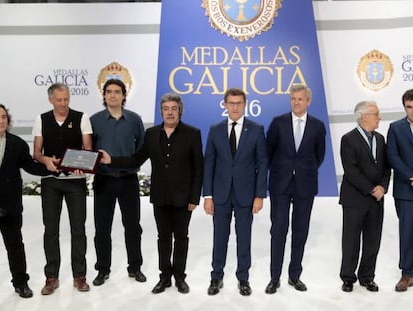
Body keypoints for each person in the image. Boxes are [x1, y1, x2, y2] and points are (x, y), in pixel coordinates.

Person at [100, 93, 203, 294]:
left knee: (181, 238)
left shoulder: (192, 133)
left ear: (179, 110)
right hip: (160, 196)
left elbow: (199, 168)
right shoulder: (152, 134)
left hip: (184, 198)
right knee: (163, 237)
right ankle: (164, 277)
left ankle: (180, 278)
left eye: (174, 108)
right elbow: (136, 159)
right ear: (161, 111)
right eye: (166, 109)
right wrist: (112, 160)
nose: (170, 112)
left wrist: (194, 198)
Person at [203, 88, 268, 296]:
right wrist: (208, 195)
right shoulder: (215, 130)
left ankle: (243, 278)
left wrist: (259, 195)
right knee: (219, 237)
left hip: (246, 195)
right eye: (231, 103)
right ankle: (216, 277)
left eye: (239, 103)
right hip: (220, 194)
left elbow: (262, 163)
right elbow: (209, 164)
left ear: (245, 104)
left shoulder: (256, 130)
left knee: (244, 237)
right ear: (225, 105)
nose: (235, 107)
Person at [33, 83, 92, 294]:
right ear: (51, 100)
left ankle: (80, 276)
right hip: (51, 181)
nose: (64, 103)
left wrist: (81, 164)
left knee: (79, 229)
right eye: (59, 100)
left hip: (75, 182)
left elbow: (88, 149)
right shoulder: (41, 119)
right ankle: (51, 277)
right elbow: (37, 153)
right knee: (51, 230)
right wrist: (46, 159)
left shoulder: (82, 118)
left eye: (66, 99)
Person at [265, 84, 326, 294]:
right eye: (293, 99)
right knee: (279, 230)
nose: (296, 102)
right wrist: (284, 170)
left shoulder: (317, 126)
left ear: (308, 101)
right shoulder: (278, 123)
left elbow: (319, 156)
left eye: (300, 99)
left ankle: (294, 275)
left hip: (305, 186)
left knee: (300, 232)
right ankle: (274, 278)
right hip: (280, 185)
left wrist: (302, 171)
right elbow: (268, 152)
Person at [90, 79, 146, 286]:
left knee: (133, 227)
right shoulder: (94, 120)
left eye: (117, 92)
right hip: (104, 180)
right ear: (104, 96)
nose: (113, 95)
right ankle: (103, 269)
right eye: (109, 92)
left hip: (128, 180)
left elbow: (141, 149)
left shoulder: (134, 120)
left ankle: (135, 267)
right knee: (102, 228)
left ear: (124, 95)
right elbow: (88, 151)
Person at [0, 104, 55, 298]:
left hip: (10, 205)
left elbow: (31, 166)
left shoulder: (17, 144)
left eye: (4, 117)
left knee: (15, 245)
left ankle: (21, 283)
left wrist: (50, 166)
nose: (1, 121)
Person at [339, 101, 390, 293]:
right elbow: (351, 171)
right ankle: (348, 278)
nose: (380, 117)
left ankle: (367, 277)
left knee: (372, 240)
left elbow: (386, 167)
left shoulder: (381, 139)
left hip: (377, 199)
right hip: (355, 199)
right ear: (365, 116)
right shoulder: (348, 139)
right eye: (376, 114)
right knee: (351, 240)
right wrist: (371, 189)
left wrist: (382, 188)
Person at [387, 89, 413, 292]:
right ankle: (407, 274)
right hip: (406, 189)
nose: (412, 111)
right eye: (409, 107)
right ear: (404, 107)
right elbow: (392, 156)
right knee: (407, 232)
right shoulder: (395, 128)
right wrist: (410, 176)